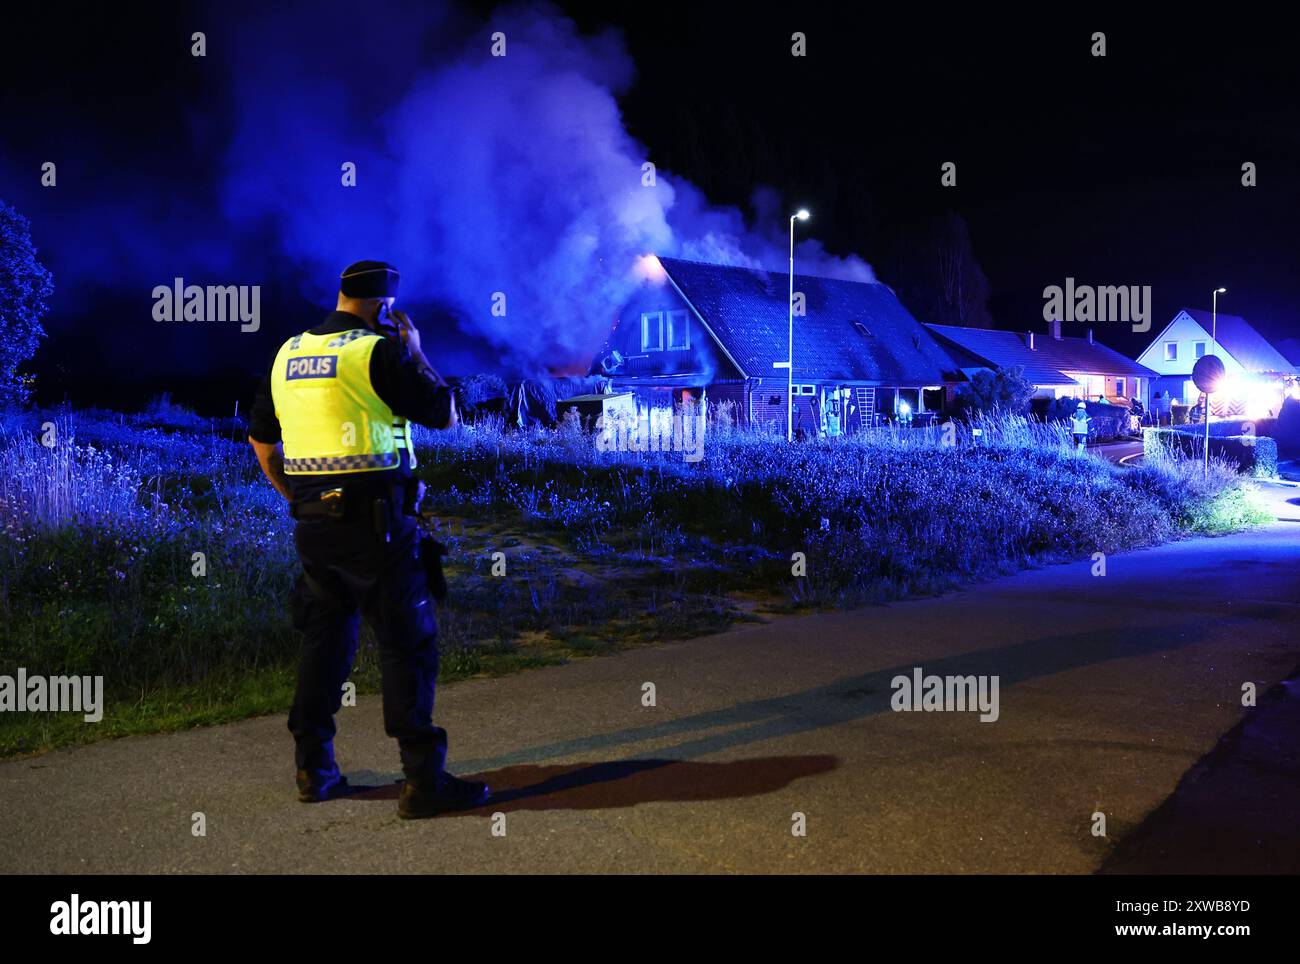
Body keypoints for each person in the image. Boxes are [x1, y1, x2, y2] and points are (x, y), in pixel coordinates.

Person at [247, 260, 490, 819]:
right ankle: (423, 780)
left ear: (340, 295)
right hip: (378, 529)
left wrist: (294, 495)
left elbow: (262, 439)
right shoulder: (377, 352)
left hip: (314, 528)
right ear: (385, 308)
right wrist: (417, 350)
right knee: (407, 643)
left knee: (323, 643)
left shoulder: (288, 353)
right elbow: (445, 414)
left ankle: (314, 770)